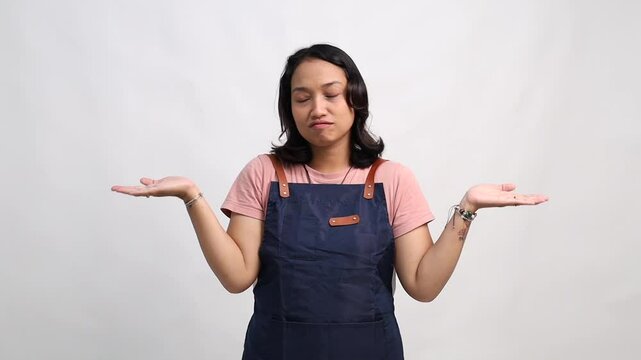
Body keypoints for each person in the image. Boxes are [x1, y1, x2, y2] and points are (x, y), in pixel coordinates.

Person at [111, 44, 548, 359]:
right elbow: (236, 276)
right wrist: (193, 197)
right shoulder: (265, 173)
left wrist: (467, 207)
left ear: (355, 100)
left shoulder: (391, 178)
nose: (316, 107)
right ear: (290, 109)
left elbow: (423, 285)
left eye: (331, 94)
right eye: (302, 98)